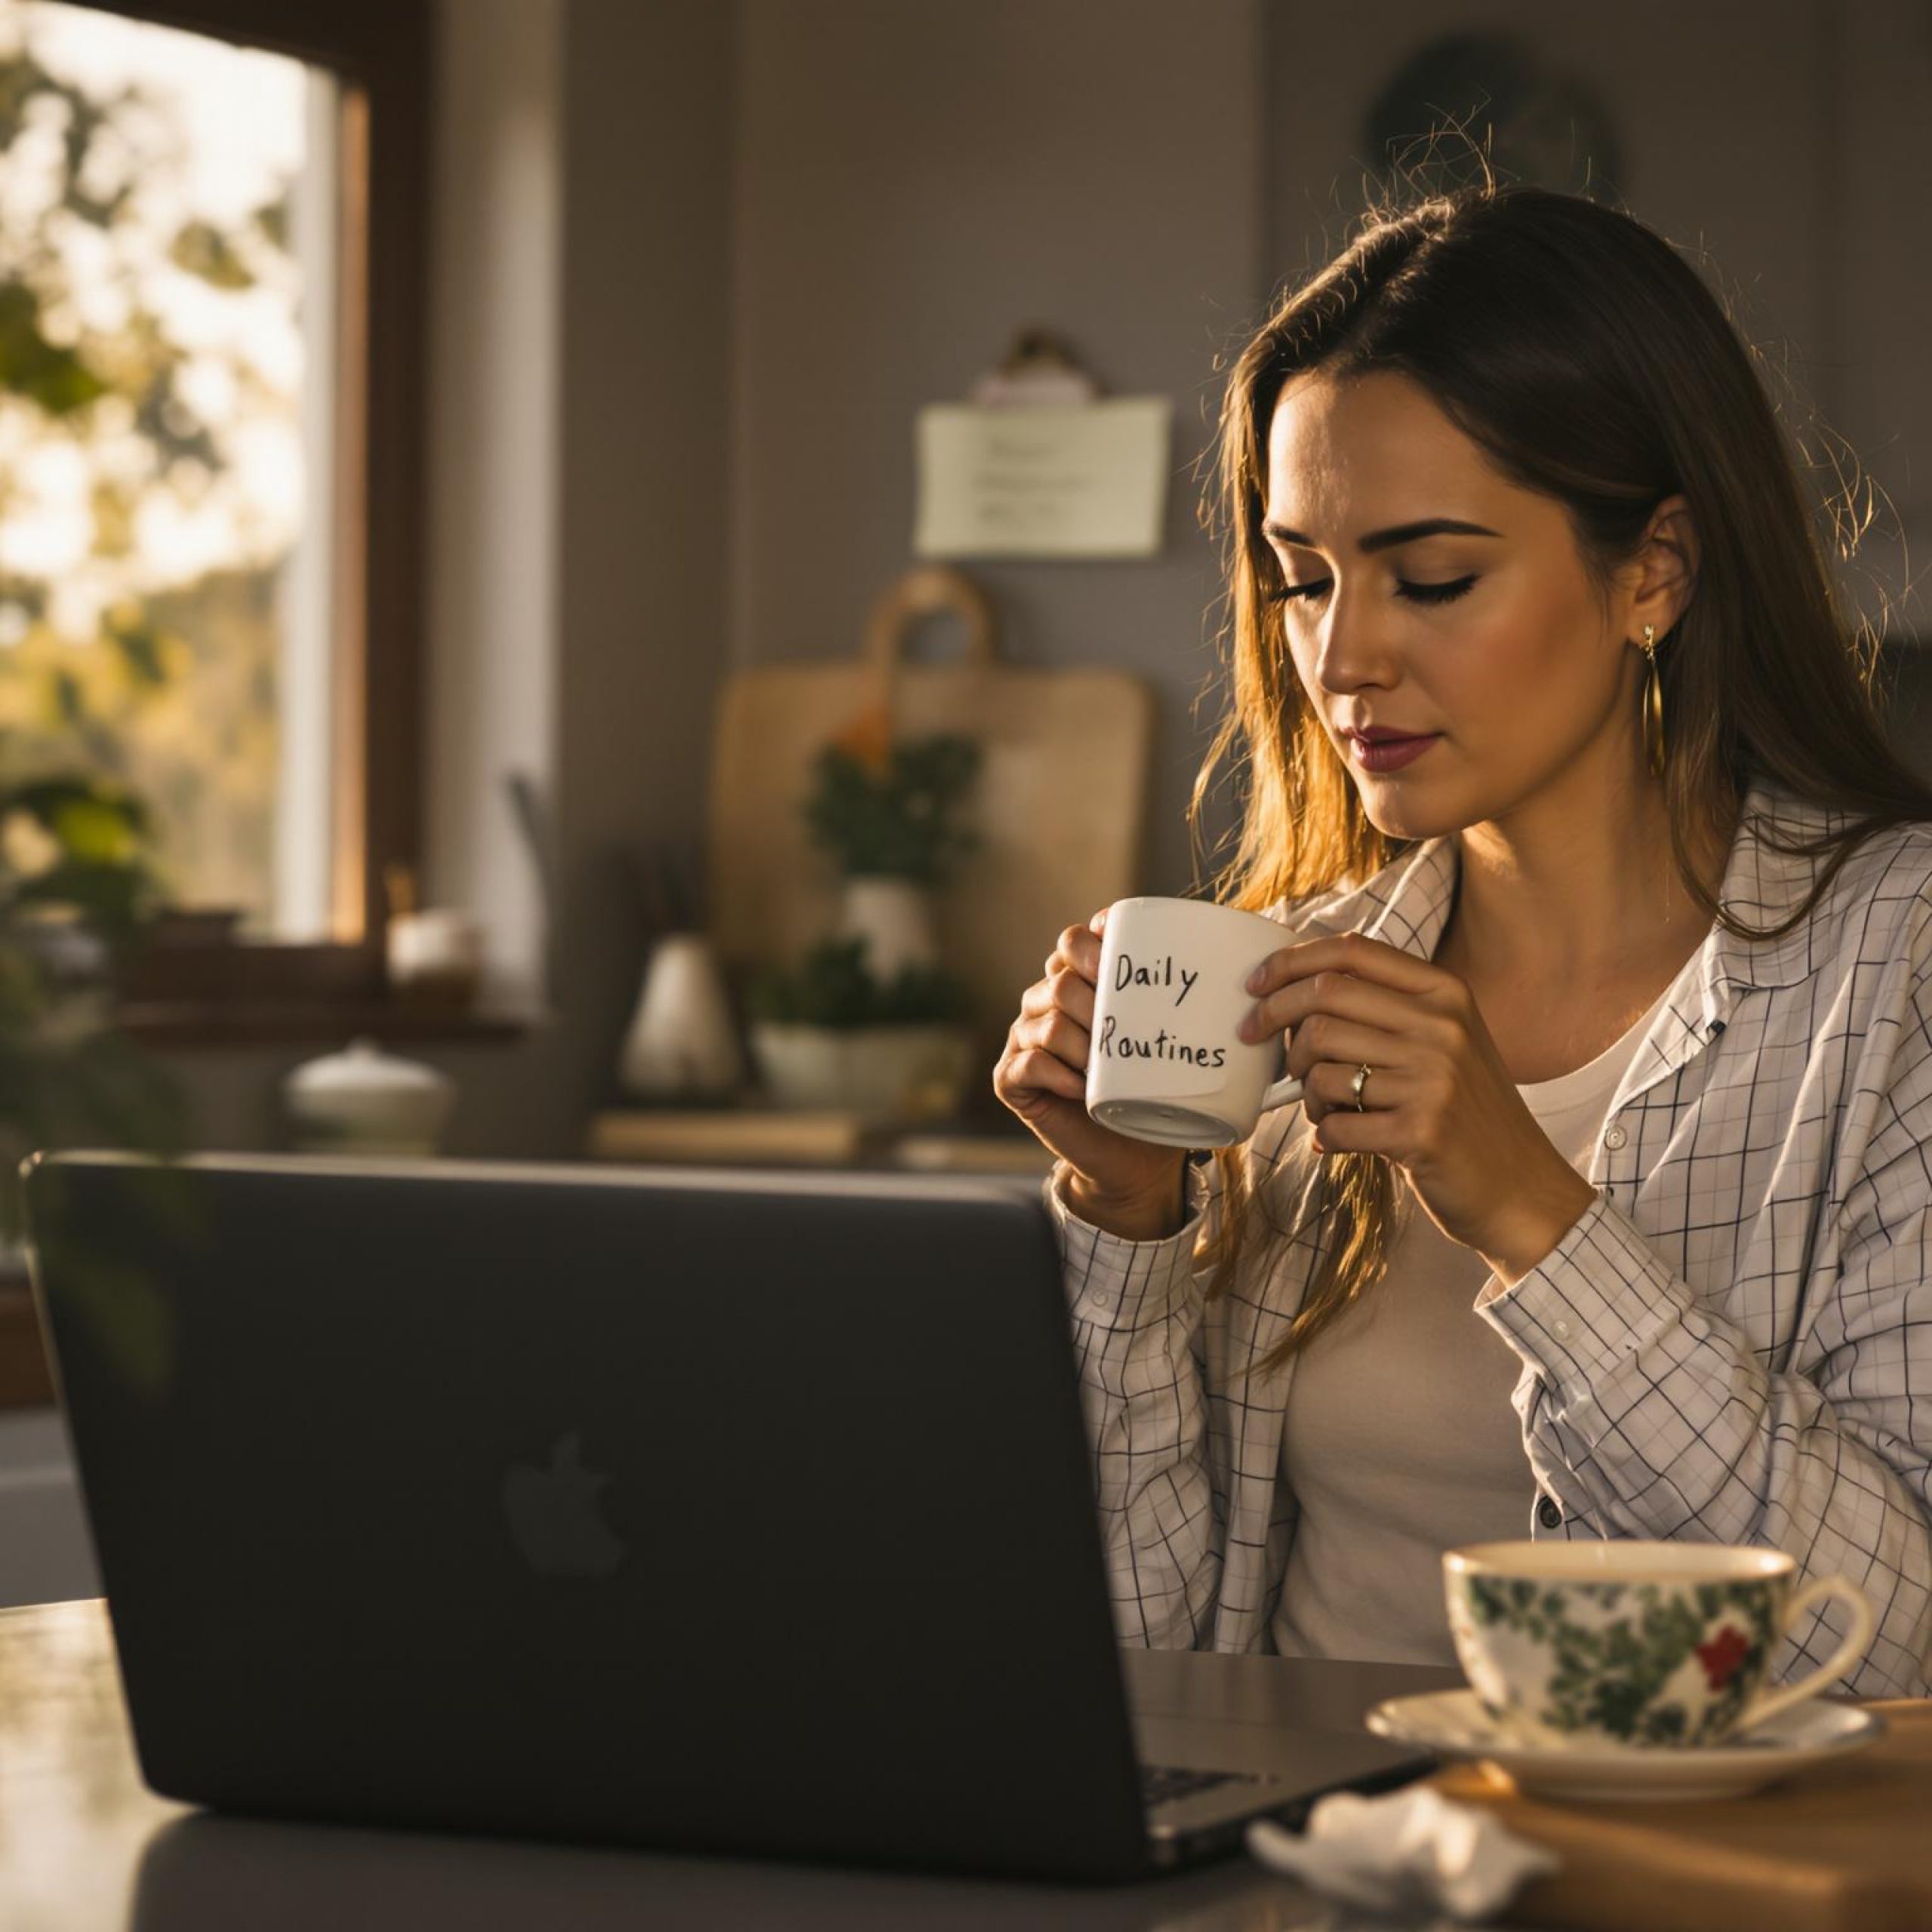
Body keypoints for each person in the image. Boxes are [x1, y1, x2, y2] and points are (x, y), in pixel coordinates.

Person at [992, 177, 1932, 1698]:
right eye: (1301, 579)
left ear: (1654, 571)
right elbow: (1135, 1665)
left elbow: (1891, 1644)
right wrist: (1122, 1216)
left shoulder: (1896, 968)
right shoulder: (1272, 991)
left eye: (1430, 577)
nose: (1342, 655)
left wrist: (1527, 1207)